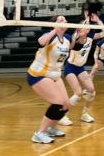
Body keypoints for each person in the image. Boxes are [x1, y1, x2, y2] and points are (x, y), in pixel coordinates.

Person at [26, 15, 73, 144]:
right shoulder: (50, 35)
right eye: (60, 20)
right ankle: (39, 133)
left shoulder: (68, 39)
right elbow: (40, 42)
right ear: (54, 25)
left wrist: (83, 34)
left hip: (55, 75)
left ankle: (50, 128)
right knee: (58, 102)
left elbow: (77, 46)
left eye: (65, 20)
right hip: (39, 74)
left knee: (66, 105)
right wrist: (55, 30)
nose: (64, 21)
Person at [58, 12, 104, 126]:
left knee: (91, 90)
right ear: (79, 30)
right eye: (84, 27)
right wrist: (83, 25)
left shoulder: (90, 37)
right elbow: (76, 37)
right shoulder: (75, 39)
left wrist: (98, 20)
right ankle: (62, 116)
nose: (87, 28)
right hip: (70, 67)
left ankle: (85, 114)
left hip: (81, 68)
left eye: (88, 28)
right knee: (78, 93)